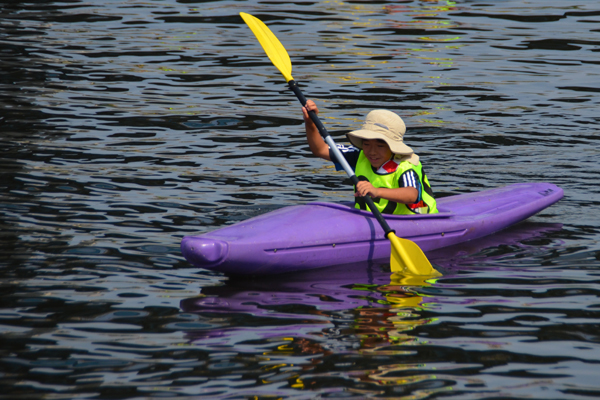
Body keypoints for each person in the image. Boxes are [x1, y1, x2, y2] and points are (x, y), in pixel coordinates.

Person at [302, 99, 437, 215]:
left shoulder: (405, 165)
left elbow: (411, 194)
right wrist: (310, 123)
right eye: (366, 144)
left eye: (380, 146)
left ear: (393, 147)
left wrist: (376, 191)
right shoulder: (359, 154)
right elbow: (320, 149)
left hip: (418, 220)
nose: (372, 152)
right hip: (372, 218)